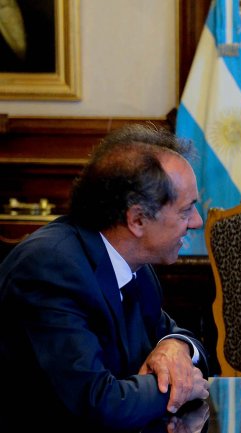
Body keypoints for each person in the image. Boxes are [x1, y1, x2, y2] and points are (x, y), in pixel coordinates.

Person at [0, 124, 210, 431]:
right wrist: (182, 387)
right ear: (137, 219)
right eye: (185, 210)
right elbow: (98, 403)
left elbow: (175, 334)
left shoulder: (135, 264)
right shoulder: (49, 269)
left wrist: (176, 346)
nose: (197, 222)